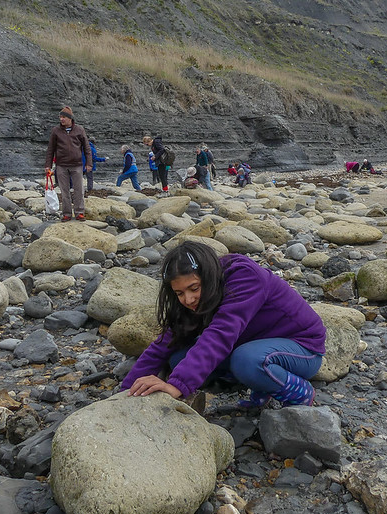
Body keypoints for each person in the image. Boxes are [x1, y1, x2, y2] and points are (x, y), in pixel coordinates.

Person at [122, 241, 325, 407]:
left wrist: (176, 386)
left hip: (303, 348)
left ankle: (300, 392)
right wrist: (125, 392)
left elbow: (221, 334)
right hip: (257, 345)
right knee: (178, 360)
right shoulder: (198, 296)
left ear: (208, 276)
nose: (188, 299)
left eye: (194, 288)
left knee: (247, 360)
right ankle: (262, 384)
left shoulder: (245, 277)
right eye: (179, 293)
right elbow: (165, 342)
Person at [45, 106, 92, 221]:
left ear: (70, 118)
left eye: (64, 117)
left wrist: (89, 163)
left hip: (77, 165)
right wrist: (48, 166)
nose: (61, 119)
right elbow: (51, 149)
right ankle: (67, 213)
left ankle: (79, 212)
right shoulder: (56, 131)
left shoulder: (80, 130)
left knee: (79, 189)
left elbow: (87, 148)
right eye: (60, 117)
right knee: (64, 190)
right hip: (61, 165)